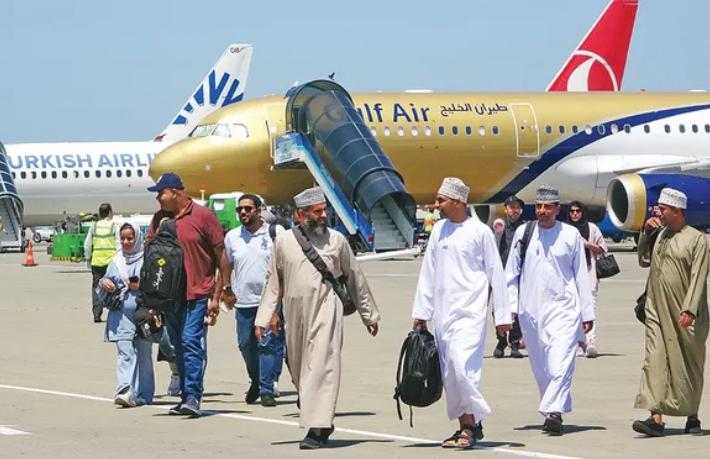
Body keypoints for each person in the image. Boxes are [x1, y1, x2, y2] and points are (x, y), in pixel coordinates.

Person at [254, 186, 380, 450]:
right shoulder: (284, 241)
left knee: (323, 365)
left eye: (325, 210)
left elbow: (355, 277)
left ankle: (318, 428)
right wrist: (264, 318)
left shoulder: (337, 241)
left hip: (327, 308)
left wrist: (369, 315)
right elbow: (273, 283)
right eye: (317, 211)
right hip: (295, 312)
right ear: (301, 215)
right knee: (301, 367)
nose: (323, 216)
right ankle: (315, 410)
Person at [412, 178, 511, 450]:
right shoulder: (439, 230)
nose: (436, 205)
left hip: (470, 314)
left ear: (457, 202)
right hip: (443, 315)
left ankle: (472, 423)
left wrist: (503, 318)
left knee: (462, 368)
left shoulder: (480, 232)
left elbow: (496, 275)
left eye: (441, 200)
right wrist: (421, 312)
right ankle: (466, 426)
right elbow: (428, 272)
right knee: (451, 375)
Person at [506, 185, 594, 435]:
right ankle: (552, 411)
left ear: (557, 208)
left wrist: (587, 313)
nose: (542, 211)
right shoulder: (525, 232)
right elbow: (511, 274)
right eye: (539, 206)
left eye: (548, 207)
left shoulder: (570, 235)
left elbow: (580, 275)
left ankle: (554, 411)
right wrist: (510, 308)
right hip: (530, 312)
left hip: (564, 309)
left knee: (561, 362)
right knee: (541, 366)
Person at [146, 173, 228, 417]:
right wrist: (152, 297)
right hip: (170, 296)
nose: (158, 198)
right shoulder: (160, 219)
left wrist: (219, 294)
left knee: (190, 341)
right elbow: (151, 256)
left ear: (175, 192)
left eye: (161, 193)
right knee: (176, 346)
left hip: (198, 292)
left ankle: (193, 395)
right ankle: (184, 395)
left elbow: (221, 256)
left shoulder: (204, 216)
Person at [632, 188, 709, 437]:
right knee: (654, 360)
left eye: (663, 209)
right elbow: (643, 260)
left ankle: (692, 417)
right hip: (657, 309)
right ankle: (655, 417)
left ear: (676, 211)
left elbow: (699, 276)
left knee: (688, 364)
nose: (658, 212)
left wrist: (690, 309)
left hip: (686, 314)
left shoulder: (697, 239)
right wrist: (646, 233)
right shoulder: (661, 234)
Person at [221, 194, 285, 407]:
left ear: (258, 210)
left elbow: (285, 265)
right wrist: (226, 288)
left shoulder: (275, 233)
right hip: (243, 302)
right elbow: (225, 264)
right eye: (240, 209)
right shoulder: (232, 237)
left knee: (266, 344)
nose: (243, 213)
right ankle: (256, 380)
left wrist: (280, 300)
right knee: (245, 345)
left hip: (268, 300)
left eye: (248, 209)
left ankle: (266, 389)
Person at [100, 222, 154, 407]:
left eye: (130, 238)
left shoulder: (146, 259)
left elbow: (156, 283)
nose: (126, 242)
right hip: (121, 313)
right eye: (123, 238)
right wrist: (105, 282)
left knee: (143, 354)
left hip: (143, 313)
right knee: (125, 352)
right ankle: (125, 390)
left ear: (137, 238)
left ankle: (144, 394)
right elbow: (105, 279)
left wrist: (141, 286)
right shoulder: (117, 260)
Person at [566, 201, 607, 358]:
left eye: (578, 211)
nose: (575, 214)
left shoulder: (592, 228)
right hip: (570, 278)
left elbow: (603, 249)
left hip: (589, 276)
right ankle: (576, 342)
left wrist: (587, 244)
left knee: (589, 311)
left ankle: (590, 342)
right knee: (572, 313)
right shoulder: (565, 230)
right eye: (572, 211)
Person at [494, 195, 526, 359]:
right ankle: (501, 340)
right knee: (498, 309)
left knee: (517, 310)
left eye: (517, 207)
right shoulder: (499, 227)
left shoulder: (526, 228)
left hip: (519, 275)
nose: (515, 210)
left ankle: (514, 342)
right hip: (500, 274)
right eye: (511, 207)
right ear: (505, 209)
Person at [84, 203, 121, 323]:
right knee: (114, 287)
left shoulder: (94, 227)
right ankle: (114, 310)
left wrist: (88, 257)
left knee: (96, 288)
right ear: (110, 212)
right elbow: (118, 244)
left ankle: (97, 314)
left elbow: (87, 245)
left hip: (97, 262)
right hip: (110, 263)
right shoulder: (114, 226)